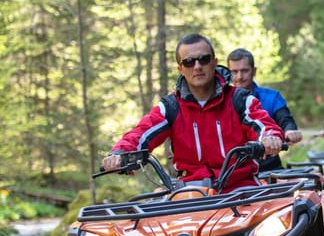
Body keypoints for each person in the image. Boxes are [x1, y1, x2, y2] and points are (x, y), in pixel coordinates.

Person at [102, 33, 284, 190]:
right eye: (188, 62)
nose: (197, 66)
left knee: (274, 226)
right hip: (192, 194)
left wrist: (270, 138)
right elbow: (141, 133)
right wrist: (119, 153)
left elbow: (263, 124)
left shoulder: (240, 100)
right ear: (180, 69)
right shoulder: (171, 106)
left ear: (214, 63)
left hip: (241, 189)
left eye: (203, 59)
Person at [227, 48, 302, 172]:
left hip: (270, 169)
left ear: (254, 71)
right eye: (234, 72)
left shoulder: (272, 97)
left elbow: (285, 119)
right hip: (232, 173)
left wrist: (290, 131)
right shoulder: (221, 101)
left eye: (244, 71)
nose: (239, 77)